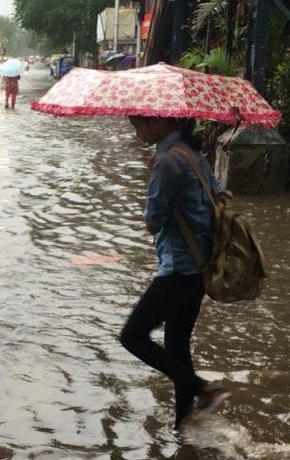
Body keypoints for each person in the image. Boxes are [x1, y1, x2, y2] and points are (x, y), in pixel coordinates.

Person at [120, 115, 228, 431]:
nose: (136, 132)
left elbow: (153, 220)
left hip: (177, 268)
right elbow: (217, 195)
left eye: (139, 125)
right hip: (198, 266)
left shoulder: (166, 162)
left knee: (132, 336)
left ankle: (202, 389)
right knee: (177, 347)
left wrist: (154, 178)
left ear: (160, 123)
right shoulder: (195, 156)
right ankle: (184, 425)